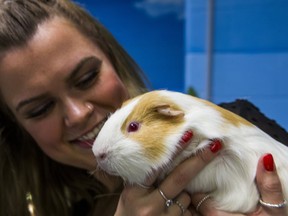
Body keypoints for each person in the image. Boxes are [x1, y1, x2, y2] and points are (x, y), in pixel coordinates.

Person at [0, 0, 286, 215]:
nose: (79, 114)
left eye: (87, 78)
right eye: (39, 109)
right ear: (16, 124)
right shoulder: (54, 208)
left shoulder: (243, 121)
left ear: (112, 58)